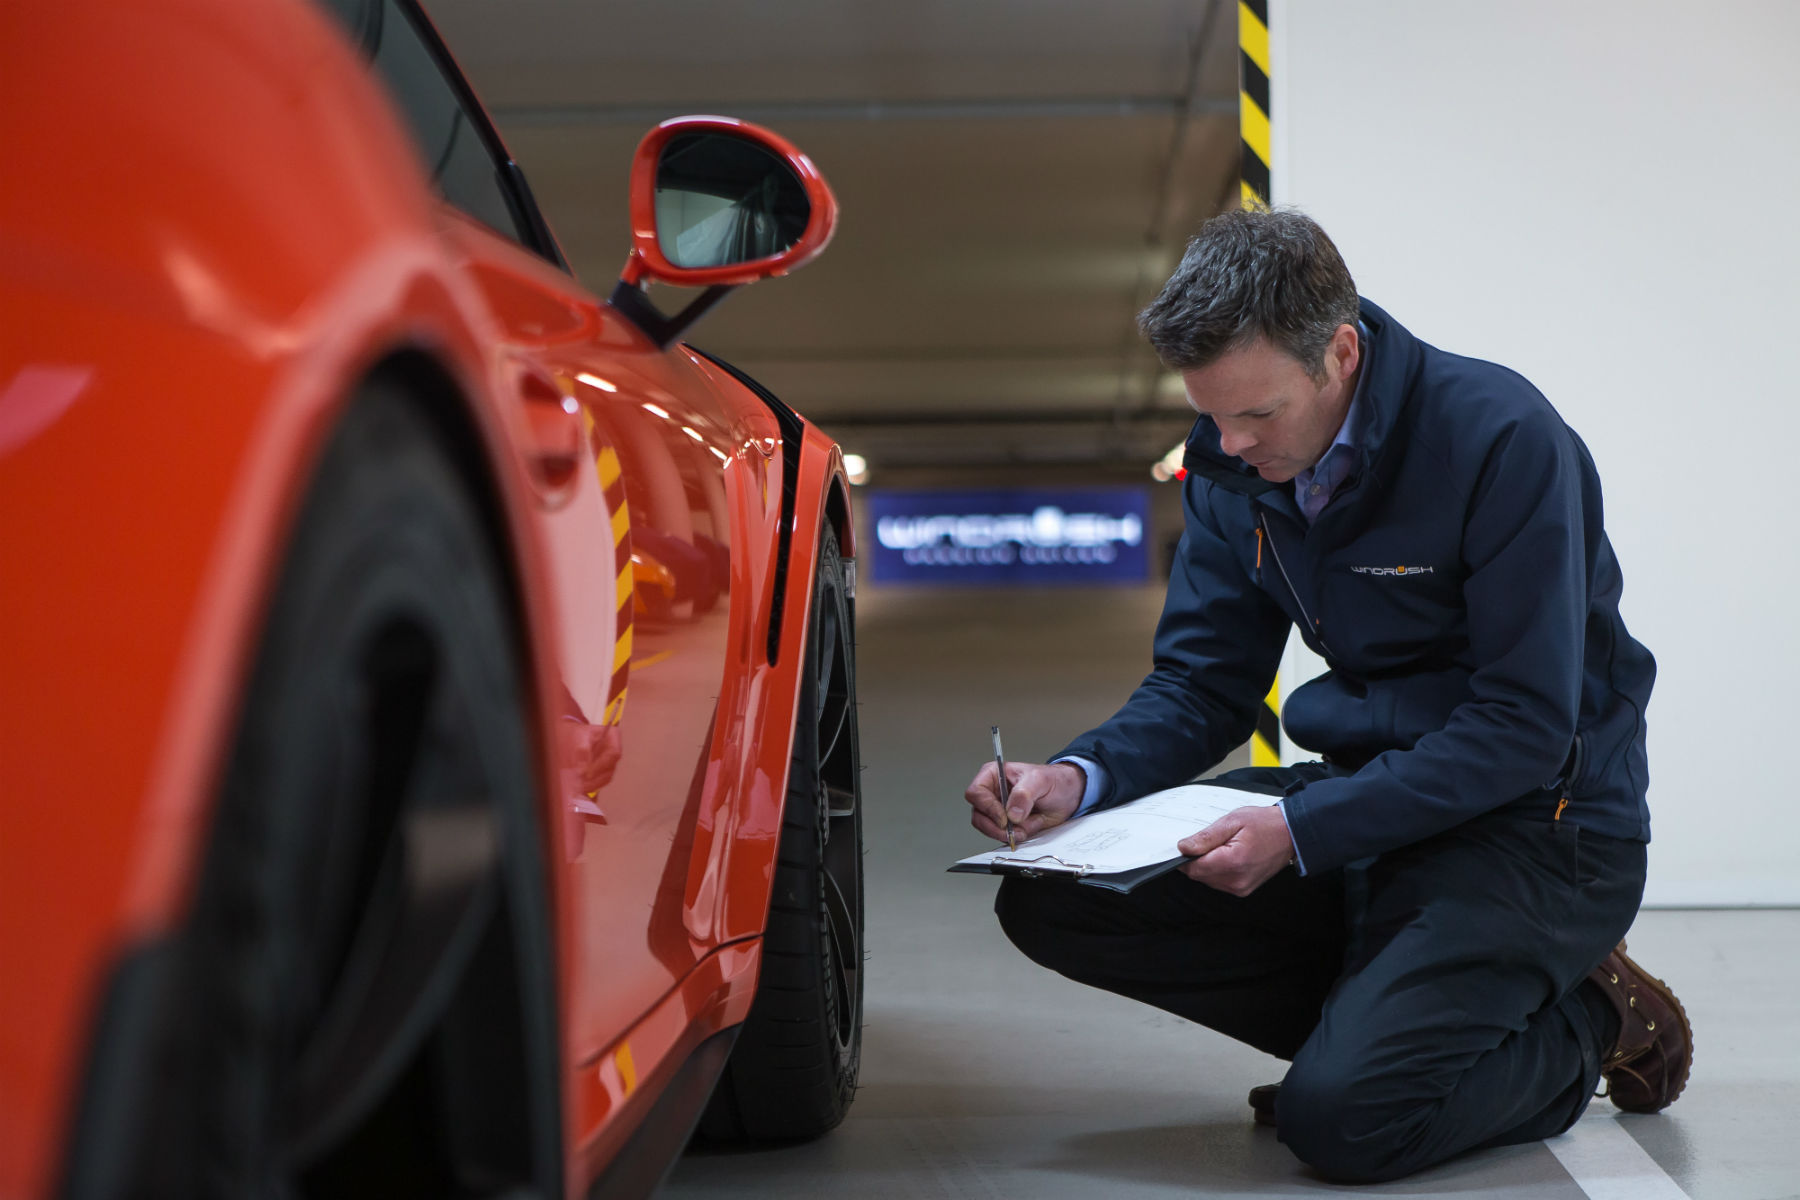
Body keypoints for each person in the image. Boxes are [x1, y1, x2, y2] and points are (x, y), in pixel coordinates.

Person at [963, 209, 1689, 1183]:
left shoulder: (1499, 439)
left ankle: (1585, 1025)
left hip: (1540, 825)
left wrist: (1303, 835)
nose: (1229, 441)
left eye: (1257, 415)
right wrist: (1077, 775)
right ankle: (1389, 1029)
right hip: (1368, 798)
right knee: (1056, 900)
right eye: (1212, 413)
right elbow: (1202, 682)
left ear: (1339, 354)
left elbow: (1522, 727)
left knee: (1346, 1124)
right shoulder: (1228, 459)